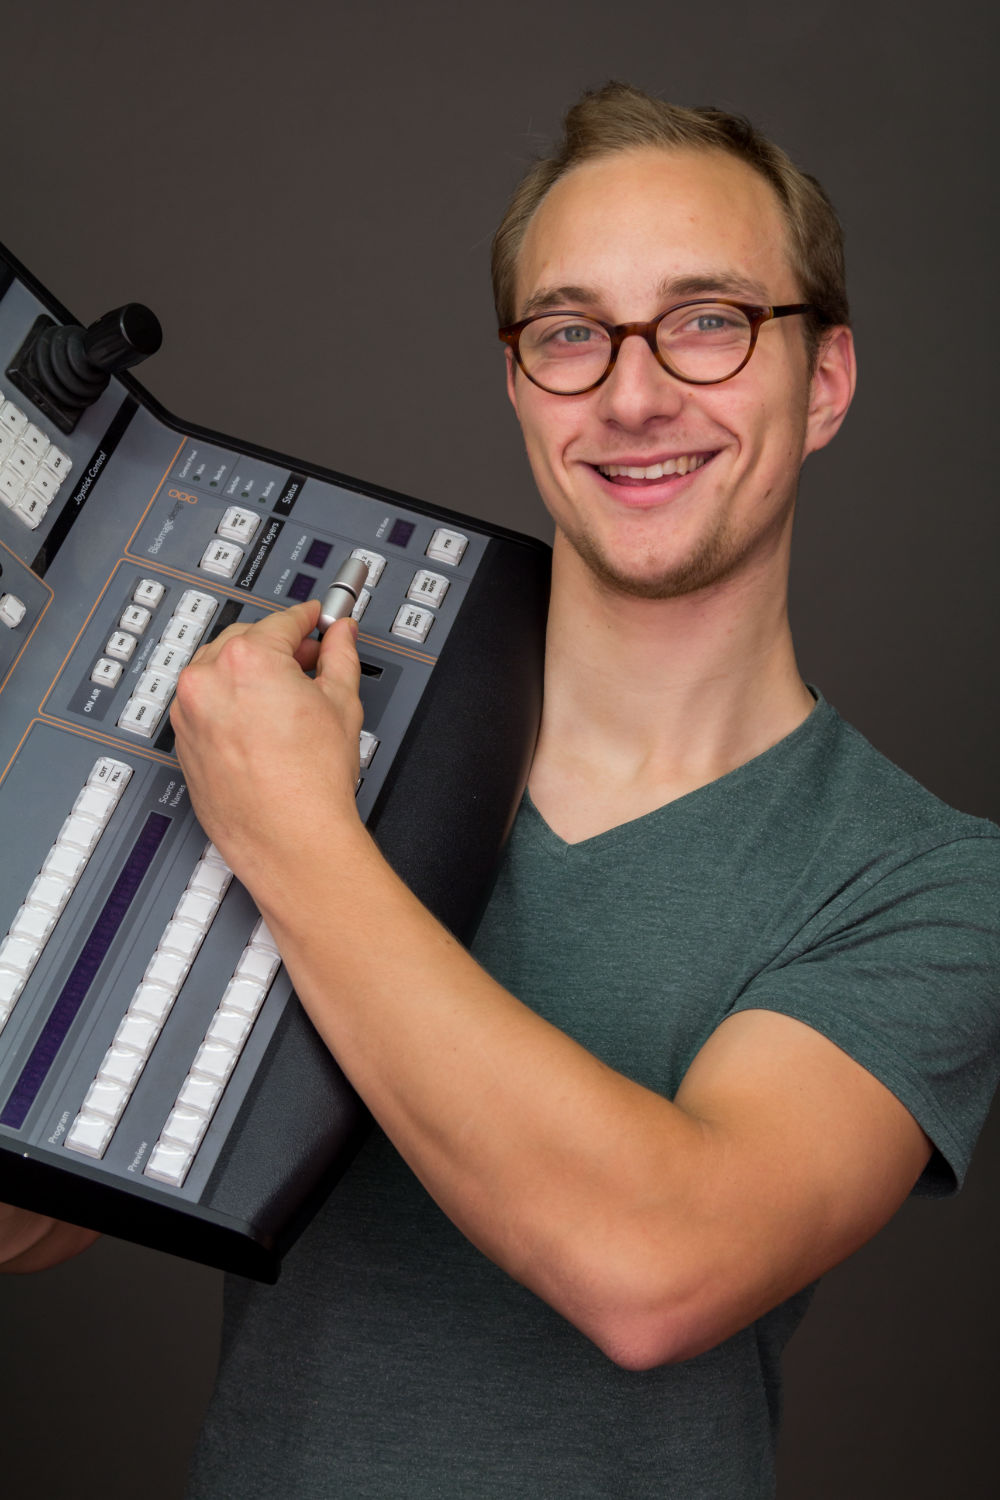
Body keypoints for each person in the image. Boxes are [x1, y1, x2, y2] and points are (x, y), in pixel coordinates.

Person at [5, 83, 999, 1498]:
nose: (634, 396)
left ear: (824, 380)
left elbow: (657, 1267)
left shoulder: (928, 885)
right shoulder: (319, 725)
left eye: (708, 321)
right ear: (522, 385)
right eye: (571, 333)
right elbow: (38, 1221)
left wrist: (296, 835)